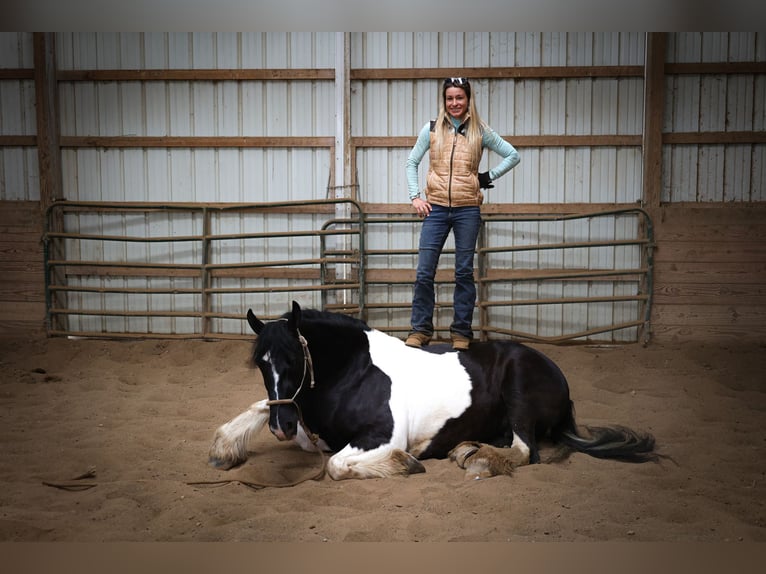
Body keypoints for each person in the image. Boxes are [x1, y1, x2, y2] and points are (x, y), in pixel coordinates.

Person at [405, 77, 520, 350]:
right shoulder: (431, 129)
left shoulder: (480, 131)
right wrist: (415, 197)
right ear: (444, 101)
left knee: (463, 272)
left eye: (459, 98)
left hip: (468, 209)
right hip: (436, 208)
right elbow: (412, 162)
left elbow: (512, 155)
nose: (454, 103)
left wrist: (485, 178)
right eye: (450, 98)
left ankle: (461, 334)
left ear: (468, 99)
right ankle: (420, 330)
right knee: (424, 272)